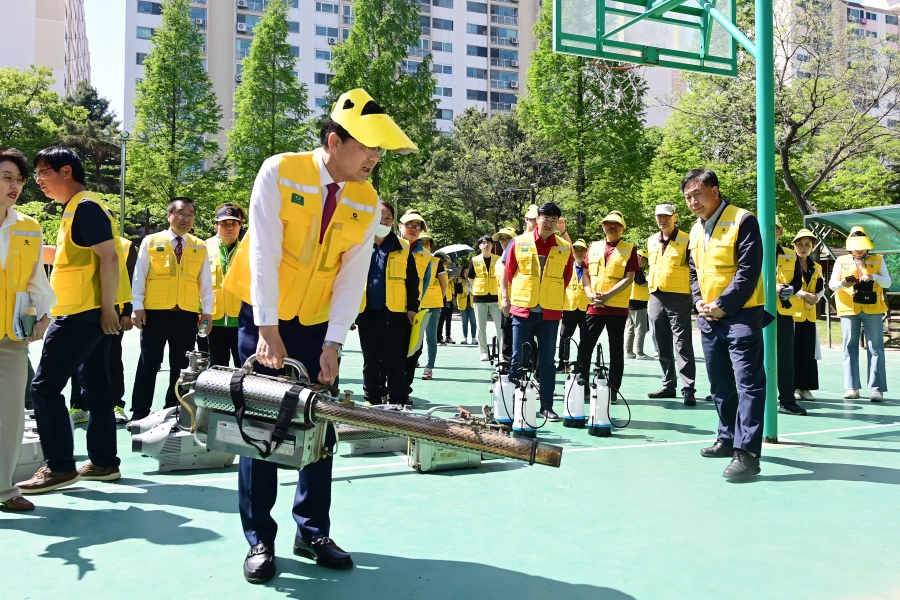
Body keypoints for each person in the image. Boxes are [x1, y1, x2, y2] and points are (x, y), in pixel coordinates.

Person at [221, 88, 417, 583]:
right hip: (264, 315)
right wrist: (266, 327)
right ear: (334, 141)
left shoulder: (367, 199)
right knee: (260, 424)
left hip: (316, 323)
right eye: (367, 146)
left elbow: (351, 277)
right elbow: (263, 250)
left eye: (379, 149)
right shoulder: (280, 170)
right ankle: (259, 538)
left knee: (319, 426)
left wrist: (333, 343)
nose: (375, 157)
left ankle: (311, 530)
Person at [18, 146, 132, 494]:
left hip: (83, 313)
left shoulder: (84, 207)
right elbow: (69, 258)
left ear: (66, 171)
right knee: (96, 388)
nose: (38, 181)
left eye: (42, 172)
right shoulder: (75, 210)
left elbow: (109, 258)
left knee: (44, 387)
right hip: (87, 311)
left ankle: (60, 467)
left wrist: (109, 307)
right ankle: (103, 462)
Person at [684, 169, 767, 480]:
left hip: (742, 314)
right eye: (688, 197)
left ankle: (747, 453)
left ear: (715, 191)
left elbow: (749, 270)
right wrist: (698, 302)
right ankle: (727, 437)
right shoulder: (695, 230)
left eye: (697, 194)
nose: (693, 201)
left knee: (748, 383)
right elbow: (694, 271)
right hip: (708, 317)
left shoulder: (743, 220)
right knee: (719, 383)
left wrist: (722, 305)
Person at [0, 149, 55, 510]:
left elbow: (37, 279)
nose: (15, 185)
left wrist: (44, 315)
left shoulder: (29, 227)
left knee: (10, 418)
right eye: (7, 177)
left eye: (19, 180)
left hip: (10, 339)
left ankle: (4, 491)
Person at [129, 197, 214, 422]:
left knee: (181, 367)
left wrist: (207, 311)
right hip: (154, 313)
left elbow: (205, 282)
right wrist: (137, 306)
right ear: (170, 216)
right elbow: (139, 276)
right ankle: (139, 412)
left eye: (190, 214)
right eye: (181, 213)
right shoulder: (150, 241)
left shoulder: (199, 245)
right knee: (148, 363)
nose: (186, 219)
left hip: (186, 315)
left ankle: (174, 410)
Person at [502, 202, 574, 422]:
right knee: (517, 358)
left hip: (550, 313)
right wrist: (505, 296)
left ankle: (547, 406)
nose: (549, 224)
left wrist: (550, 294)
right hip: (523, 309)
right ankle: (515, 402)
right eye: (545, 220)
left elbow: (567, 276)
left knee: (547, 361)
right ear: (537, 219)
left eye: (554, 221)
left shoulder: (564, 246)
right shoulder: (519, 242)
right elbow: (508, 272)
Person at [66, 233, 137, 424]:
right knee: (77, 359)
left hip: (113, 313)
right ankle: (79, 406)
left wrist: (127, 312)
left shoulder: (126, 246)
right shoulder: (77, 240)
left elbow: (130, 280)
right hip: (81, 310)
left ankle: (116, 404)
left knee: (112, 359)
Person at [357, 200, 419, 405]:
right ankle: (372, 400)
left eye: (388, 218)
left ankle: (398, 401)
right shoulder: (359, 242)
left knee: (396, 361)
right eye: (379, 216)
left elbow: (412, 280)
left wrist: (412, 308)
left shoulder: (402, 246)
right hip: (367, 313)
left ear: (393, 223)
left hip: (396, 314)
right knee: (371, 361)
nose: (383, 221)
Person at [576, 212, 638, 403]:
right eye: (608, 224)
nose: (611, 227)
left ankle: (613, 389)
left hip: (617, 308)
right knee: (585, 347)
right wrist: (588, 293)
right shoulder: (593, 247)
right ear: (602, 226)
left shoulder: (630, 249)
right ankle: (582, 384)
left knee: (616, 349)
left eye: (616, 225)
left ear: (623, 228)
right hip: (594, 306)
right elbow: (585, 273)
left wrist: (609, 295)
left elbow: (629, 277)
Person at [829, 226, 890, 401]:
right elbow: (832, 285)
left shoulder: (878, 259)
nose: (859, 249)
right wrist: (844, 283)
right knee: (849, 346)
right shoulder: (841, 260)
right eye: (855, 245)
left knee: (876, 347)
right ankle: (852, 387)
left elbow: (887, 282)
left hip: (873, 309)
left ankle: (877, 389)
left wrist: (873, 277)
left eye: (862, 245)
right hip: (849, 308)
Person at [646, 202, 697, 405]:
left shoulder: (687, 240)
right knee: (661, 341)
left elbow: (695, 271)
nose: (662, 219)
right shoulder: (651, 240)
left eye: (667, 216)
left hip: (678, 296)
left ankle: (688, 387)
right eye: (659, 216)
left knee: (682, 342)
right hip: (656, 296)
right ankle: (668, 385)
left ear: (675, 217)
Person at [774, 218, 807, 416]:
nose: (771, 232)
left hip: (784, 312)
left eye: (775, 229)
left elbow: (797, 280)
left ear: (780, 231)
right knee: (750, 358)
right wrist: (772, 287)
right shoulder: (751, 250)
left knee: (786, 359)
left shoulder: (789, 254)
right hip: (756, 311)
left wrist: (791, 289)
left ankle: (787, 400)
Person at [205, 203, 244, 367]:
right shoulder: (203, 248)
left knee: (245, 371)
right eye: (224, 224)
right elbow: (198, 283)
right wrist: (201, 312)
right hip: (213, 322)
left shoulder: (248, 250)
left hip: (242, 322)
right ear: (216, 226)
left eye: (233, 223)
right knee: (215, 372)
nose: (229, 227)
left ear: (240, 226)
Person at [398, 210, 433, 392]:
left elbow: (424, 285)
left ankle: (405, 390)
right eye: (409, 225)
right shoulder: (389, 246)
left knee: (413, 351)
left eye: (417, 226)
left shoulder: (426, 256)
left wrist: (415, 305)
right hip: (389, 308)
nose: (413, 229)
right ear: (400, 226)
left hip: (413, 310)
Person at [790, 229, 823, 401]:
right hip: (792, 314)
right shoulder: (788, 263)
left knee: (808, 352)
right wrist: (803, 294)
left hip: (809, 316)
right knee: (793, 352)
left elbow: (821, 288)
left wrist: (817, 296)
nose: (803, 248)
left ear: (813, 247)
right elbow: (784, 286)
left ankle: (806, 388)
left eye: (807, 245)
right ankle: (793, 387)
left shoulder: (816, 267)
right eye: (800, 244)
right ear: (794, 245)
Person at [557, 238, 589, 373]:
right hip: (569, 307)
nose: (580, 252)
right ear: (573, 251)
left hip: (586, 307)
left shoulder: (591, 268)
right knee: (564, 336)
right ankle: (563, 364)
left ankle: (581, 364)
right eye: (577, 250)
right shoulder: (566, 266)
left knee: (585, 339)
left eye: (583, 250)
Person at [470, 234, 503, 361]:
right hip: (480, 297)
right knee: (480, 326)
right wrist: (477, 289)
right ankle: (483, 351)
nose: (486, 244)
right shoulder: (474, 260)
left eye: (488, 242)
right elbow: (471, 278)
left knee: (500, 326)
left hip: (496, 297)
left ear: (492, 245)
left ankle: (502, 352)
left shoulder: (499, 259)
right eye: (483, 242)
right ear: (479, 246)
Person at [420, 242, 448, 380]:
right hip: (414, 304)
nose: (424, 245)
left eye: (427, 244)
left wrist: (438, 299)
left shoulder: (436, 262)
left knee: (431, 337)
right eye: (421, 243)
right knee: (414, 338)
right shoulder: (411, 257)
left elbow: (444, 284)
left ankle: (429, 367)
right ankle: (412, 362)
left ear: (431, 246)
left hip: (432, 305)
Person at [493, 227, 517, 368]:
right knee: (506, 332)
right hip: (504, 303)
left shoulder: (518, 256)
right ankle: (507, 361)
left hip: (518, 302)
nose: (504, 242)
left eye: (507, 239)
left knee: (523, 334)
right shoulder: (498, 261)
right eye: (502, 239)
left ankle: (529, 360)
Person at [624, 249, 651, 360]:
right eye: (644, 259)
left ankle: (628, 351)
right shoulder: (637, 269)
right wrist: (652, 280)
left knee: (629, 327)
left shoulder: (629, 267)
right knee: (640, 328)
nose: (644, 262)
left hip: (630, 300)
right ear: (639, 258)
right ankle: (640, 352)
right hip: (638, 301)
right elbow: (642, 284)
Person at [437, 253, 457, 344]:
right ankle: (437, 337)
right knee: (438, 319)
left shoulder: (446, 271)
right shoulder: (432, 269)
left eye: (442, 260)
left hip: (447, 298)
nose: (440, 262)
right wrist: (448, 279)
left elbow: (456, 271)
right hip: (436, 297)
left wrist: (450, 262)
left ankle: (446, 337)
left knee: (446, 318)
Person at [455, 261, 476, 344]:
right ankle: (465, 337)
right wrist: (459, 284)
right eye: (465, 272)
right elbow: (459, 292)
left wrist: (470, 283)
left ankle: (474, 338)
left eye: (468, 272)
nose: (466, 274)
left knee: (473, 322)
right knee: (464, 322)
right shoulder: (460, 281)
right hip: (463, 304)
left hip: (472, 304)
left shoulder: (473, 281)